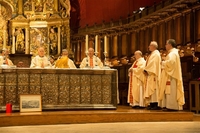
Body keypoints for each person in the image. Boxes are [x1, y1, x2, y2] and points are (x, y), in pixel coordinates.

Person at [159, 39, 185, 110]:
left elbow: (171, 63)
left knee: (171, 90)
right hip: (170, 74)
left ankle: (172, 106)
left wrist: (163, 62)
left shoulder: (173, 53)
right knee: (169, 90)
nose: (165, 46)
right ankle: (169, 105)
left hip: (172, 75)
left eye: (166, 44)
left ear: (170, 45)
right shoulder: (172, 53)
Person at [144, 41, 161, 110]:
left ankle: (155, 104)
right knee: (151, 89)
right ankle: (151, 103)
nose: (149, 47)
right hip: (151, 74)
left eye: (150, 45)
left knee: (154, 89)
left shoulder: (156, 54)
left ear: (153, 46)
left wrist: (146, 70)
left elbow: (152, 64)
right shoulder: (152, 54)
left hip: (154, 74)